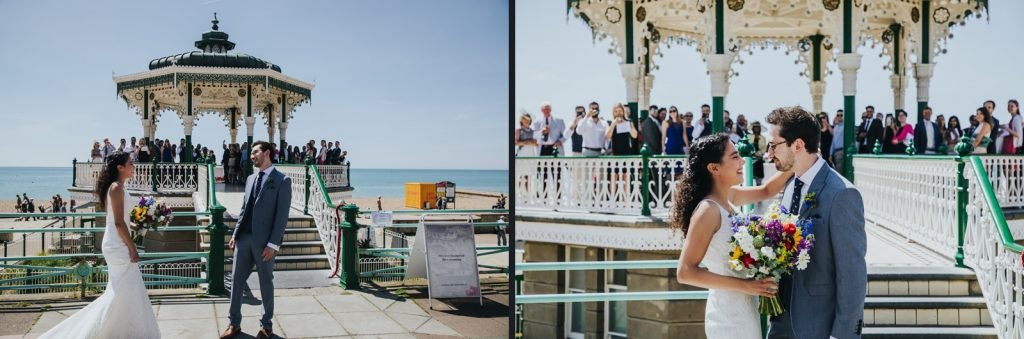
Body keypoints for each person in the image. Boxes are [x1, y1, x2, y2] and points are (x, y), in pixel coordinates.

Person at [671, 133, 793, 339]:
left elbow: (767, 190)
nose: (743, 161)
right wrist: (748, 286)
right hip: (727, 316)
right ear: (714, 168)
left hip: (746, 307)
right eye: (735, 156)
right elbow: (685, 272)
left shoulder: (727, 196)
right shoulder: (708, 210)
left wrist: (796, 162)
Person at [760, 106, 866, 339]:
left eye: (774, 145)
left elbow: (852, 275)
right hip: (780, 326)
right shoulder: (790, 187)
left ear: (797, 145)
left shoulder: (842, 194)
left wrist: (843, 335)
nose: (768, 153)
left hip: (818, 328)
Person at [38, 151, 160, 339]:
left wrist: (140, 224)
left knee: (125, 291)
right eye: (130, 163)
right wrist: (133, 248)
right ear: (120, 167)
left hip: (117, 240)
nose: (133, 166)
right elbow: (118, 223)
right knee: (122, 292)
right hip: (117, 244)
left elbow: (121, 220)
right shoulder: (116, 188)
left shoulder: (118, 187)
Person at [222, 141, 292, 339]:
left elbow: (282, 216)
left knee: (265, 283)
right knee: (236, 281)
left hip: (265, 243)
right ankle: (233, 323)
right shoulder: (251, 178)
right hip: (244, 238)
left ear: (267, 153)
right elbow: (244, 210)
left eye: (255, 152)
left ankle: (266, 325)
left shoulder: (282, 180)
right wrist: (235, 234)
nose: (251, 156)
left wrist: (273, 244)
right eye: (251, 153)